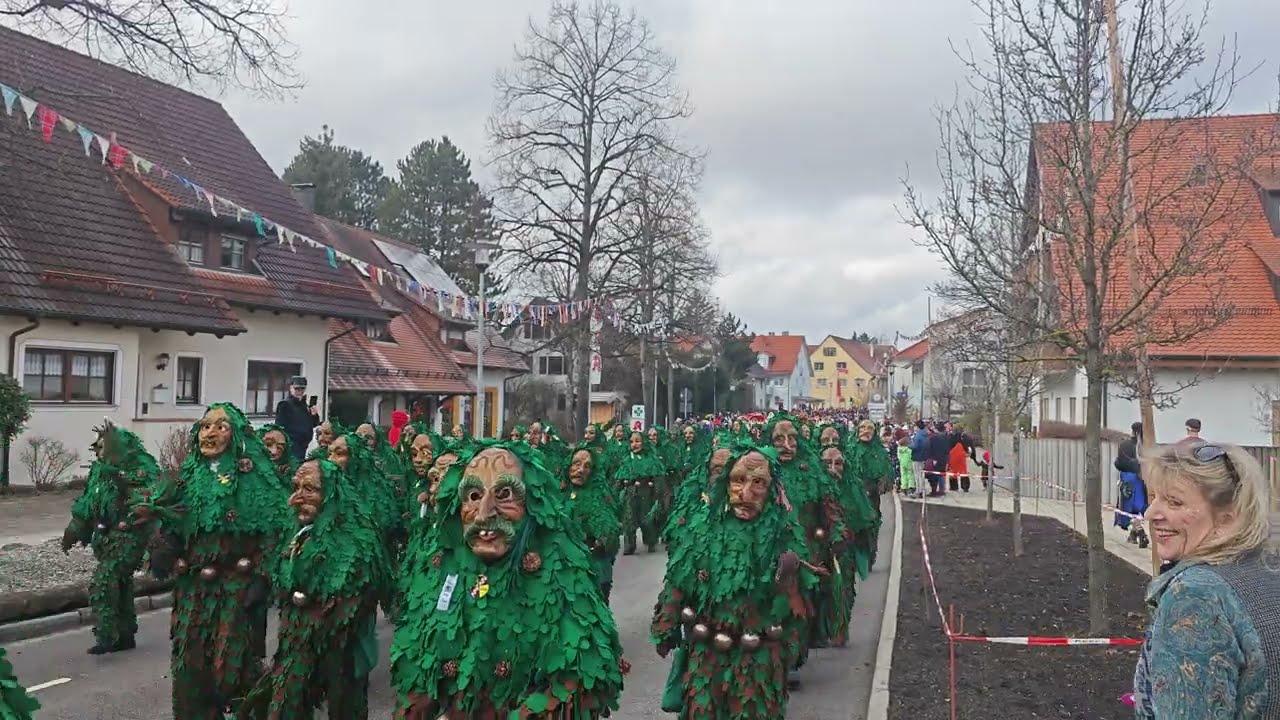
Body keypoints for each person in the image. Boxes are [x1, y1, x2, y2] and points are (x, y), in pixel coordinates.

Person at [1131, 440, 1277, 719]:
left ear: (1227, 519)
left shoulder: (1195, 595)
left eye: (1174, 502)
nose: (1151, 514)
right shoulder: (1268, 568)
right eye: (1153, 497)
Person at [1115, 422, 1149, 548]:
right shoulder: (1146, 447)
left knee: (1129, 508)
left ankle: (1140, 532)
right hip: (1142, 479)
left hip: (1128, 479)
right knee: (1139, 507)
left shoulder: (1124, 445)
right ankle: (1133, 534)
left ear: (1133, 431)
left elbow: (1119, 463)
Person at [274, 376, 319, 462]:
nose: (299, 391)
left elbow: (313, 424)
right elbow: (279, 426)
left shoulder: (305, 405)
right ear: (291, 388)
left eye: (302, 389)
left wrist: (314, 415)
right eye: (296, 389)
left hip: (304, 445)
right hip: (292, 444)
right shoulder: (285, 404)